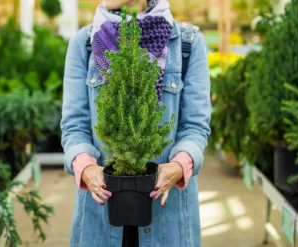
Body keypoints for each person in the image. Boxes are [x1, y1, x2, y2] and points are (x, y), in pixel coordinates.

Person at [60, 0, 211, 246]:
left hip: (166, 216)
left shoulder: (187, 43)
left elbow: (195, 125)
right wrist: (86, 167)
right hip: (100, 216)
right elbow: (74, 124)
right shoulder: (85, 43)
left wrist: (179, 164)